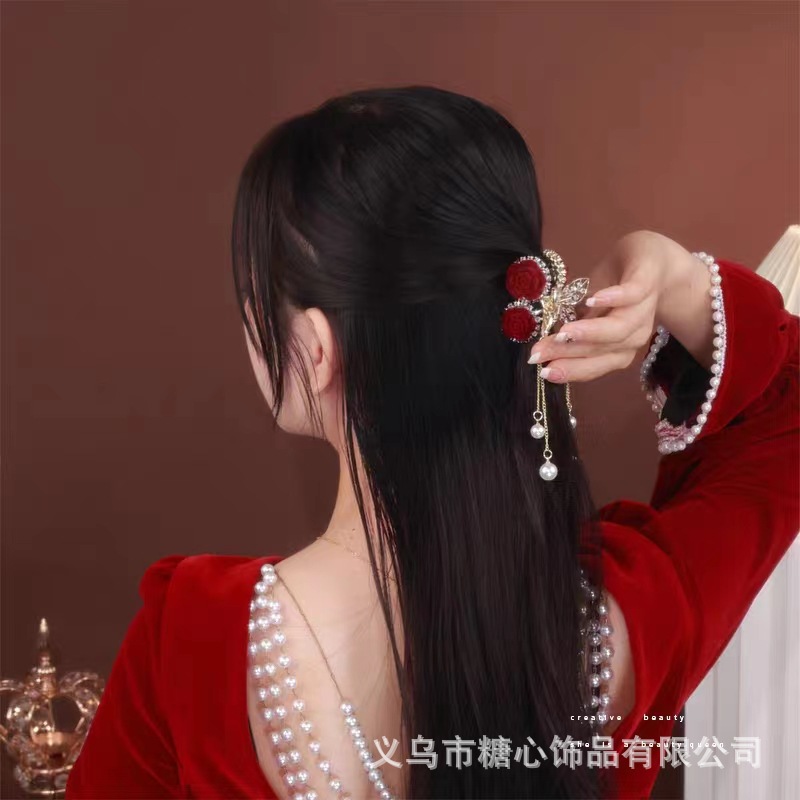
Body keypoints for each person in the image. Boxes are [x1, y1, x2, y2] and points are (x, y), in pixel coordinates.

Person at [65, 86, 799, 800]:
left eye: (256, 303)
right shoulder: (627, 619)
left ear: (315, 349)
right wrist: (669, 275)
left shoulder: (194, 645)